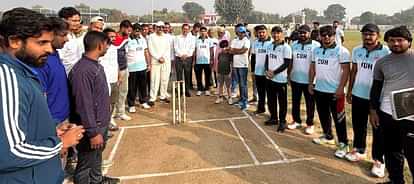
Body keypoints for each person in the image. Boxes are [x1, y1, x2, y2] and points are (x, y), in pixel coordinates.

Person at [0, 7, 84, 183]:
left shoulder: (22, 72)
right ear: (14, 41)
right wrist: (60, 144)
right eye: (41, 43)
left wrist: (50, 132)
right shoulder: (7, 78)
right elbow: (9, 152)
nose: (50, 49)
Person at [69, 31, 120, 184]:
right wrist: (92, 132)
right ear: (100, 45)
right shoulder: (83, 70)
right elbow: (84, 104)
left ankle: (97, 180)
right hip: (91, 127)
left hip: (100, 123)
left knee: (96, 155)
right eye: (107, 44)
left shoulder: (93, 65)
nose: (108, 47)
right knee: (85, 162)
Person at [369, 26, 414, 184]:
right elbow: (376, 87)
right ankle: (396, 180)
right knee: (391, 151)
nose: (396, 43)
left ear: (409, 41)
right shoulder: (381, 62)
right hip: (387, 113)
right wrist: (373, 110)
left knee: (412, 153)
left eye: (400, 40)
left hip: (411, 117)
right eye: (392, 40)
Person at [345, 24, 390, 178]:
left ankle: (379, 160)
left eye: (371, 34)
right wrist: (350, 90)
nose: (367, 37)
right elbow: (354, 71)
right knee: (359, 124)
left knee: (378, 129)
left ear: (378, 35)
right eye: (365, 34)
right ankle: (359, 149)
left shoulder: (386, 52)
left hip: (377, 97)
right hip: (358, 94)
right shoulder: (357, 50)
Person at [309, 25, 350, 158]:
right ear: (320, 36)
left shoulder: (342, 51)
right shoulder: (316, 51)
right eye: (324, 35)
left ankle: (343, 144)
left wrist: (340, 88)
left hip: (335, 92)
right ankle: (328, 135)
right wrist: (311, 83)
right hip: (319, 89)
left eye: (329, 35)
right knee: (323, 115)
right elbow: (313, 68)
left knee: (339, 118)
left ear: (334, 36)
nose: (326, 38)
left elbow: (346, 71)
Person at [287, 25, 320, 135]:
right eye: (300, 32)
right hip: (296, 78)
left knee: (310, 103)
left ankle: (310, 124)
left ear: (309, 33)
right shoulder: (294, 44)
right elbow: (291, 61)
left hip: (309, 81)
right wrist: (289, 75)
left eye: (304, 33)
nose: (302, 35)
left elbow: (316, 64)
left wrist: (313, 80)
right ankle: (296, 120)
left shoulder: (316, 45)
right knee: (295, 101)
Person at [264, 26, 292, 132]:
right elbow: (267, 59)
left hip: (280, 79)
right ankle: (274, 118)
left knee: (282, 102)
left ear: (282, 34)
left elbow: (286, 63)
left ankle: (282, 121)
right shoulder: (270, 45)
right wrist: (267, 70)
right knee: (271, 99)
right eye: (274, 33)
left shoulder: (286, 47)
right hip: (269, 78)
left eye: (278, 33)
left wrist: (274, 72)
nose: (276, 35)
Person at [126, 24, 151, 112]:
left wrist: (148, 64)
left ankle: (143, 101)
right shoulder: (127, 40)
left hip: (142, 67)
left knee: (143, 86)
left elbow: (146, 51)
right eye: (136, 30)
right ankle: (131, 104)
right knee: (132, 87)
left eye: (139, 31)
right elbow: (125, 55)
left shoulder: (142, 39)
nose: (137, 32)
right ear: (132, 30)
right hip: (131, 68)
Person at [148, 21, 172, 105]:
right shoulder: (151, 37)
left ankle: (163, 96)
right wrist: (158, 57)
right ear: (155, 28)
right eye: (159, 27)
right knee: (154, 79)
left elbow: (167, 49)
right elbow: (151, 49)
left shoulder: (166, 37)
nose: (160, 29)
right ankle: (152, 98)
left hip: (165, 60)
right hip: (155, 61)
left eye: (162, 27)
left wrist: (163, 58)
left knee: (164, 79)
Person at [113, 20, 132, 121]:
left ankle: (121, 112)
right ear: (122, 28)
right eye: (128, 30)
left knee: (124, 91)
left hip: (124, 68)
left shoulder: (126, 38)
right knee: (113, 93)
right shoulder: (113, 37)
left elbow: (125, 53)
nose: (129, 33)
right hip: (114, 69)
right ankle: (111, 114)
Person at [251, 25, 271, 115]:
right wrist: (252, 71)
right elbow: (253, 57)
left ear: (266, 32)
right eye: (259, 32)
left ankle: (272, 112)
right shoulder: (255, 43)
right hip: (258, 71)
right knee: (260, 91)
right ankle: (261, 108)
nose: (261, 34)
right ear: (257, 33)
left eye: (263, 32)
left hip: (268, 72)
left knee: (270, 93)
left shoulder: (271, 43)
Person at [229, 26, 250, 110]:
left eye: (243, 32)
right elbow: (231, 50)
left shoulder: (246, 40)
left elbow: (244, 50)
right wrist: (236, 50)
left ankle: (245, 101)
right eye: (240, 32)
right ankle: (241, 99)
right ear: (237, 32)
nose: (241, 34)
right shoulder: (235, 40)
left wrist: (235, 50)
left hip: (243, 65)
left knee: (243, 84)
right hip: (236, 64)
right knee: (239, 83)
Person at [57, 7, 83, 74]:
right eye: (74, 21)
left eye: (78, 21)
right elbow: (59, 60)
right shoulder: (60, 38)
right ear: (63, 20)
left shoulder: (73, 35)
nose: (77, 23)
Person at [174, 23, 196, 97]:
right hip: (179, 58)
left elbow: (192, 48)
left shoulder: (192, 38)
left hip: (188, 58)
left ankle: (186, 90)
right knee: (179, 75)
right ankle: (180, 91)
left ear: (189, 29)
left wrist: (186, 55)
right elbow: (176, 47)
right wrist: (181, 55)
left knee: (187, 75)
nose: (185, 30)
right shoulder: (177, 37)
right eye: (184, 29)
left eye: (187, 29)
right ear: (182, 29)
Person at [194, 26, 214, 96]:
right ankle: (199, 89)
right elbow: (195, 50)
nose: (203, 32)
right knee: (198, 75)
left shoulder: (209, 40)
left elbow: (211, 50)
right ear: (200, 32)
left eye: (204, 31)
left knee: (207, 76)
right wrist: (194, 60)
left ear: (206, 32)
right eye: (201, 31)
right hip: (198, 61)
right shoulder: (196, 40)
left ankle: (207, 89)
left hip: (207, 61)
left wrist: (211, 59)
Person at [215, 40, 233, 104]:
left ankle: (230, 97)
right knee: (220, 85)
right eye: (222, 47)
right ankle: (220, 97)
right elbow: (218, 63)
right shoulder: (219, 54)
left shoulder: (229, 55)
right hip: (220, 72)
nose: (223, 49)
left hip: (227, 72)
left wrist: (230, 72)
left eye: (225, 47)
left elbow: (231, 64)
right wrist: (217, 71)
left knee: (228, 86)